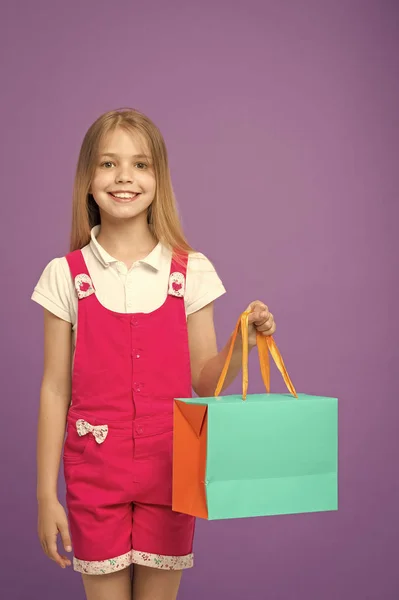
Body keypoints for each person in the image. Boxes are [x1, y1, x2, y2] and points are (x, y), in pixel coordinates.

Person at [31, 108, 276, 600]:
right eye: (108, 164)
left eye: (141, 165)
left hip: (171, 471)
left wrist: (241, 343)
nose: (124, 177)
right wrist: (44, 494)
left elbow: (205, 384)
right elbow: (56, 388)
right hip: (93, 474)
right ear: (87, 179)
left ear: (159, 179)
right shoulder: (65, 273)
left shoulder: (191, 269)